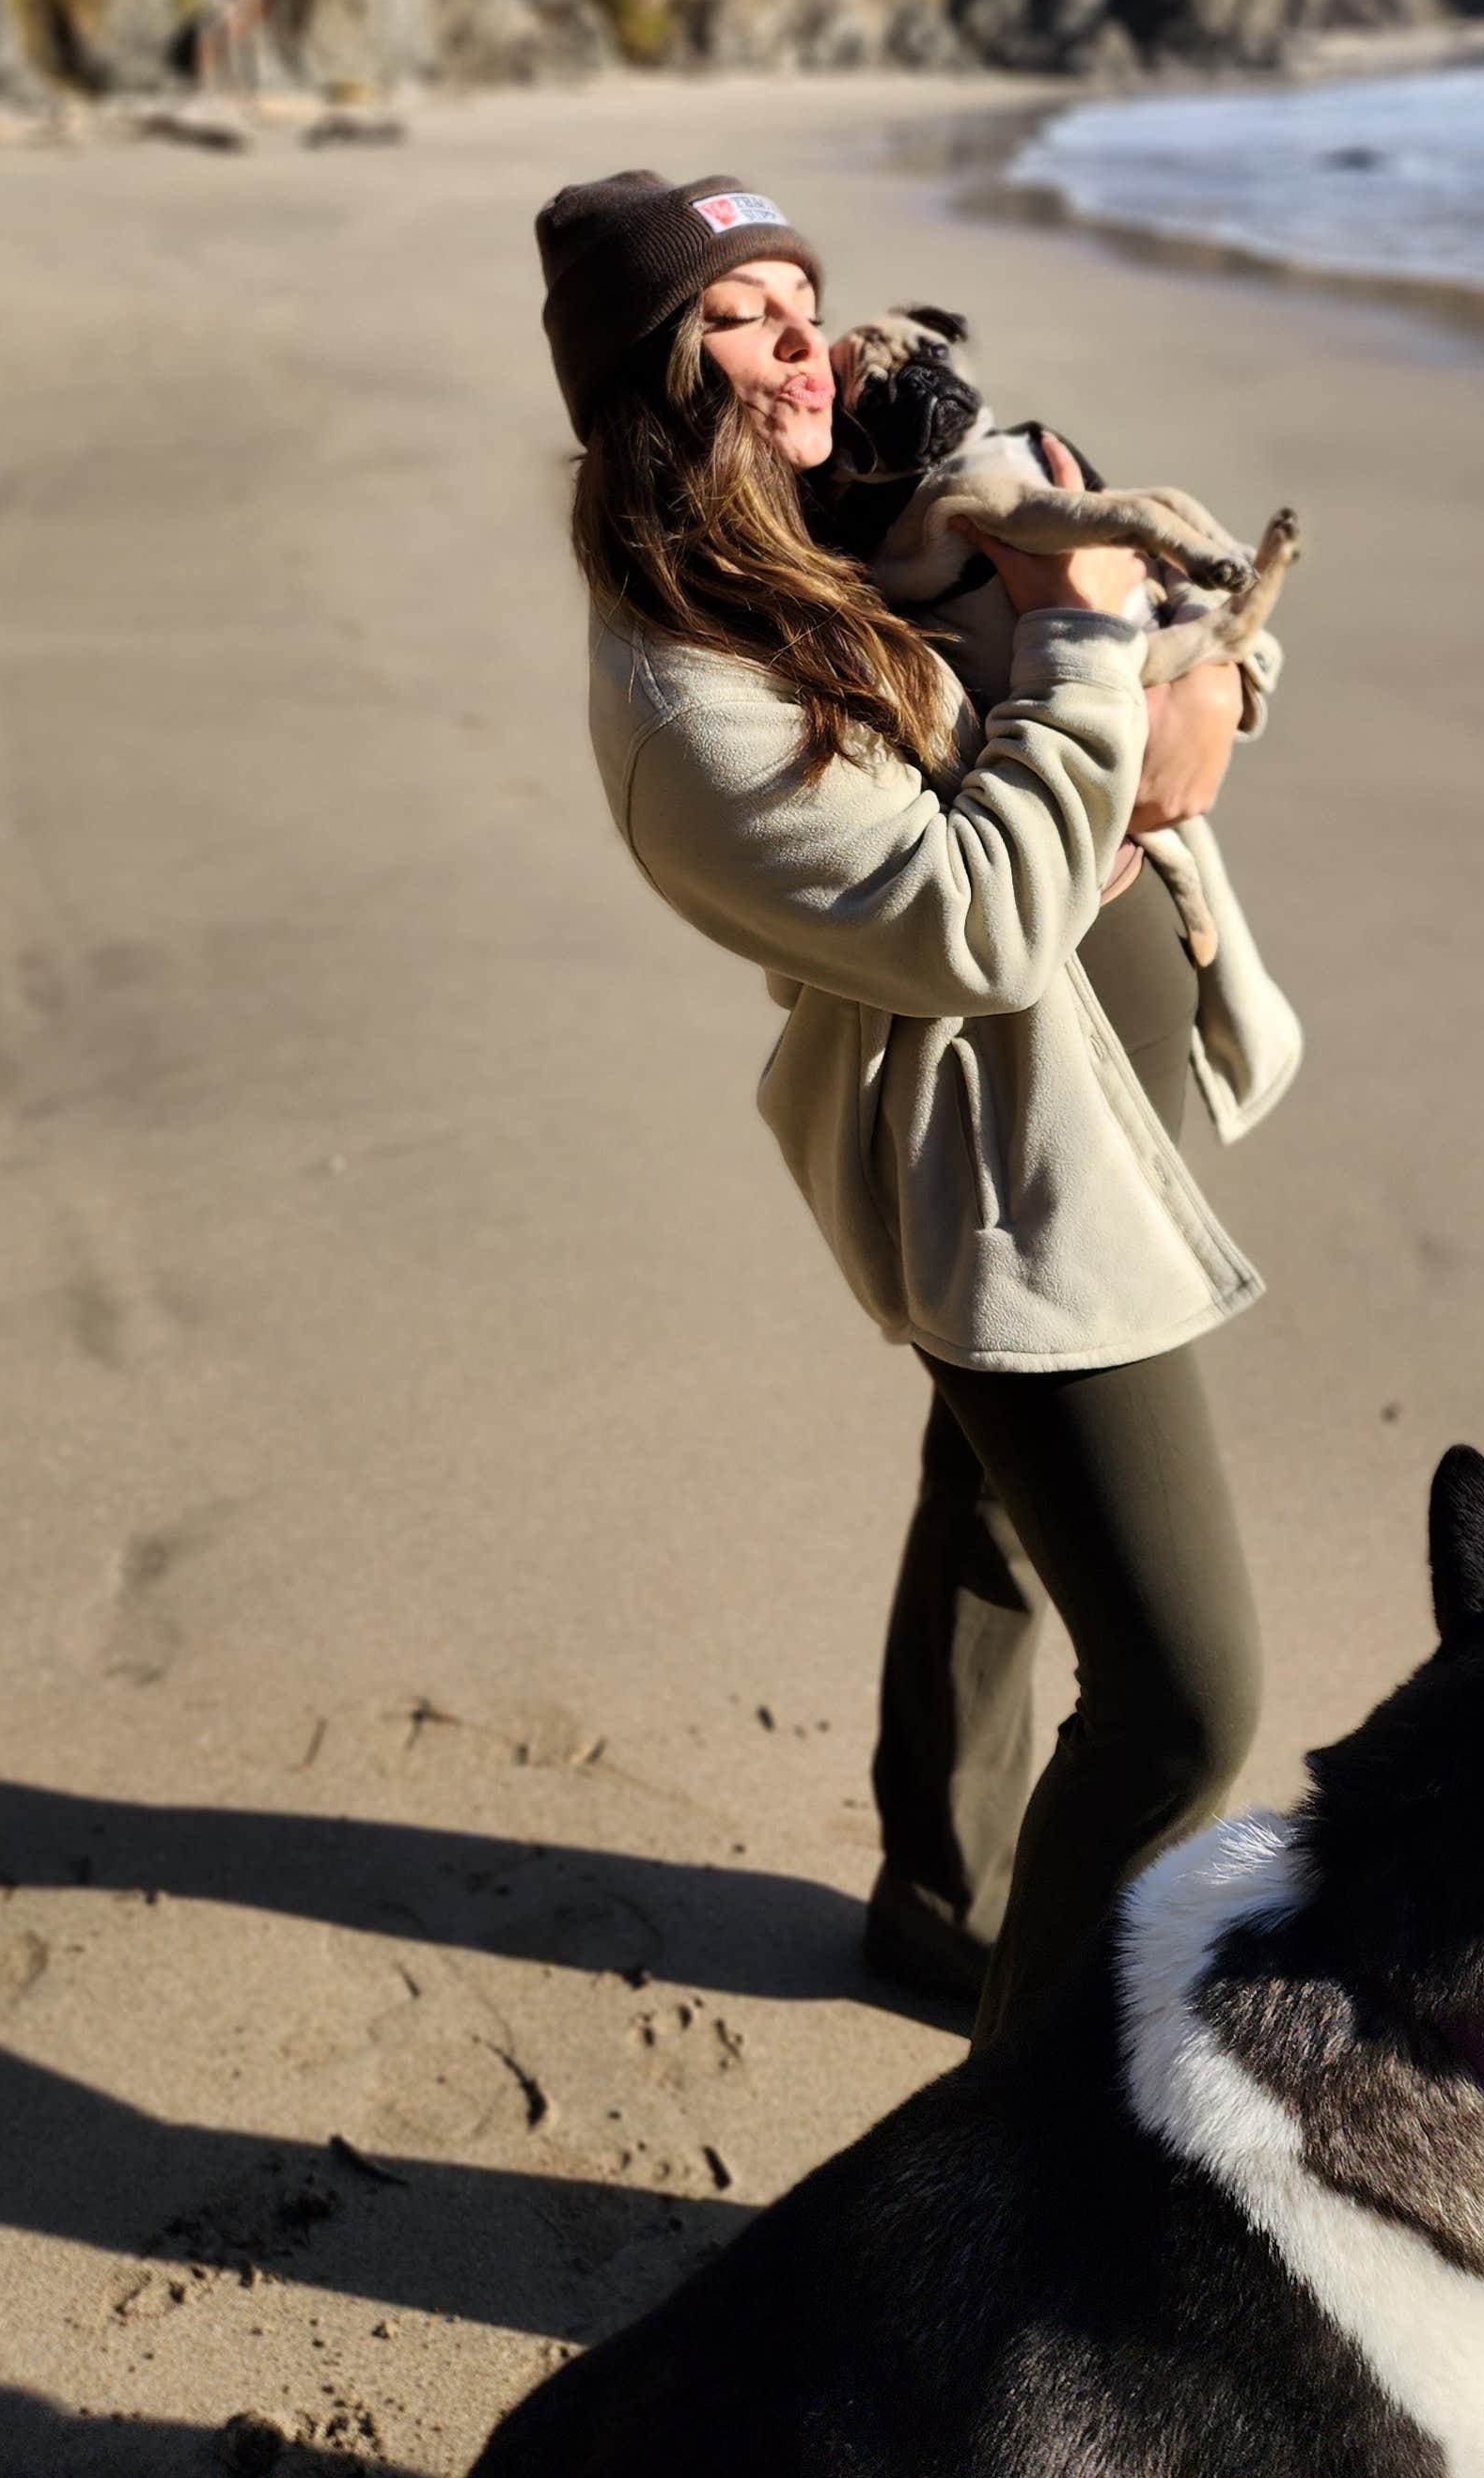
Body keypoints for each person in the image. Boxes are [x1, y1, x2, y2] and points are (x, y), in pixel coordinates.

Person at [535, 167, 1301, 2048]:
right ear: (642, 379)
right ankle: (1040, 2106)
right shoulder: (689, 701)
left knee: (996, 1495)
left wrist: (1210, 693)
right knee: (1187, 1695)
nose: (802, 341)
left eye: (803, 295)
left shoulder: (849, 493)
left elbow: (1163, 619)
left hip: (1100, 1061)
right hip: (999, 1150)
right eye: (737, 315)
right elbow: (980, 920)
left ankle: (948, 1900)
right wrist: (1098, 659)